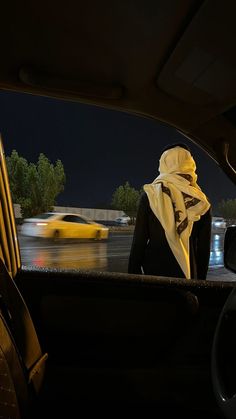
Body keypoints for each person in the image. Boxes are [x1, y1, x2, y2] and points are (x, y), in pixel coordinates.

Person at [128, 143, 212, 280]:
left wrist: (132, 280)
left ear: (164, 163)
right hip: (188, 278)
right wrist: (200, 284)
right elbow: (203, 252)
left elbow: (139, 243)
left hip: (154, 278)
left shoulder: (151, 195)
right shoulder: (201, 202)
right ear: (189, 164)